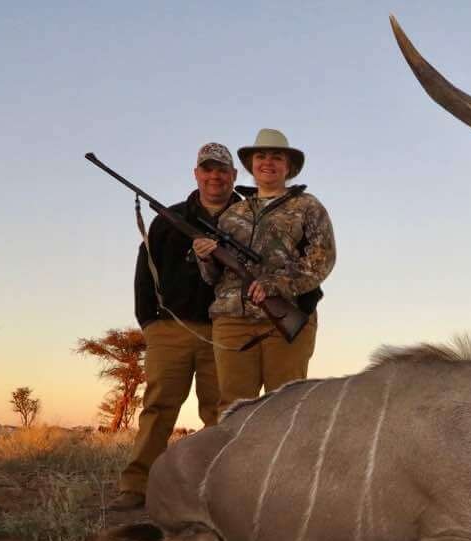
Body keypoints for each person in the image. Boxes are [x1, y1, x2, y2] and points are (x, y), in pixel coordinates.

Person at [109, 143, 240, 510]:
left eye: (222, 170)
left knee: (220, 412)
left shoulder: (246, 220)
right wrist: (150, 322)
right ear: (196, 174)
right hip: (171, 328)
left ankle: (217, 491)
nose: (215, 176)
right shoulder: (169, 219)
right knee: (159, 406)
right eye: (208, 169)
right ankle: (136, 485)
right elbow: (144, 271)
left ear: (234, 176)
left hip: (224, 330)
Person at [192, 129, 335, 411]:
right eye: (261, 156)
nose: (267, 162)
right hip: (232, 322)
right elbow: (212, 278)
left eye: (276, 157)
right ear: (251, 165)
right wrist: (205, 258)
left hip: (285, 319)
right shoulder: (233, 212)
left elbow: (322, 258)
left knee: (285, 410)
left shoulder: (308, 206)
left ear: (288, 166)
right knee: (233, 410)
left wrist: (275, 284)